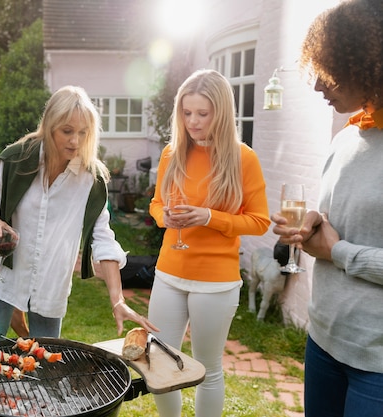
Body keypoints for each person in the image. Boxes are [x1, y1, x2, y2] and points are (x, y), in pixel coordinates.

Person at [0, 85, 158, 346]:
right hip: (3, 274)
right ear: (49, 126)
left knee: (44, 360)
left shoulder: (91, 181)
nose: (75, 141)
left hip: (51, 283)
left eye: (83, 132)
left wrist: (118, 300)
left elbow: (103, 240)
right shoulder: (14, 161)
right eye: (67, 131)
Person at [272, 1, 383, 415]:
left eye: (331, 69)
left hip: (377, 363)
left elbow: (340, 245)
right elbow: (345, 219)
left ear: (370, 61)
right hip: (324, 341)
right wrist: (316, 222)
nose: (318, 85)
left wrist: (338, 252)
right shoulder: (346, 139)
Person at [147, 69, 270, 417]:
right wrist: (163, 218)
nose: (193, 122)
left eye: (203, 113)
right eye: (187, 113)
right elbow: (157, 203)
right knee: (159, 362)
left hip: (216, 282)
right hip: (169, 272)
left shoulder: (243, 158)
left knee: (207, 368)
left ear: (222, 112)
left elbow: (260, 222)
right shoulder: (173, 153)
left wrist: (209, 217)